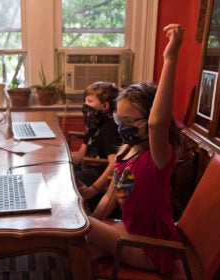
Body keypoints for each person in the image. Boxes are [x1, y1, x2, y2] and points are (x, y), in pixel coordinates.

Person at [86, 23, 184, 273]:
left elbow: (157, 123)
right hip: (129, 234)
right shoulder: (125, 150)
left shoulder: (158, 156)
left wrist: (170, 58)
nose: (122, 127)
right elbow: (110, 197)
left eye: (130, 122)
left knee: (77, 225)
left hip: (152, 248)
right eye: (120, 120)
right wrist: (95, 224)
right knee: (77, 251)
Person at [71, 81, 122, 212]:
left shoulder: (108, 127)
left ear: (105, 106)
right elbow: (81, 155)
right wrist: (61, 157)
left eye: (89, 101)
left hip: (100, 172)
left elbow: (114, 163)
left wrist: (93, 189)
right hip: (89, 166)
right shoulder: (94, 124)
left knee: (67, 182)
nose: (85, 105)